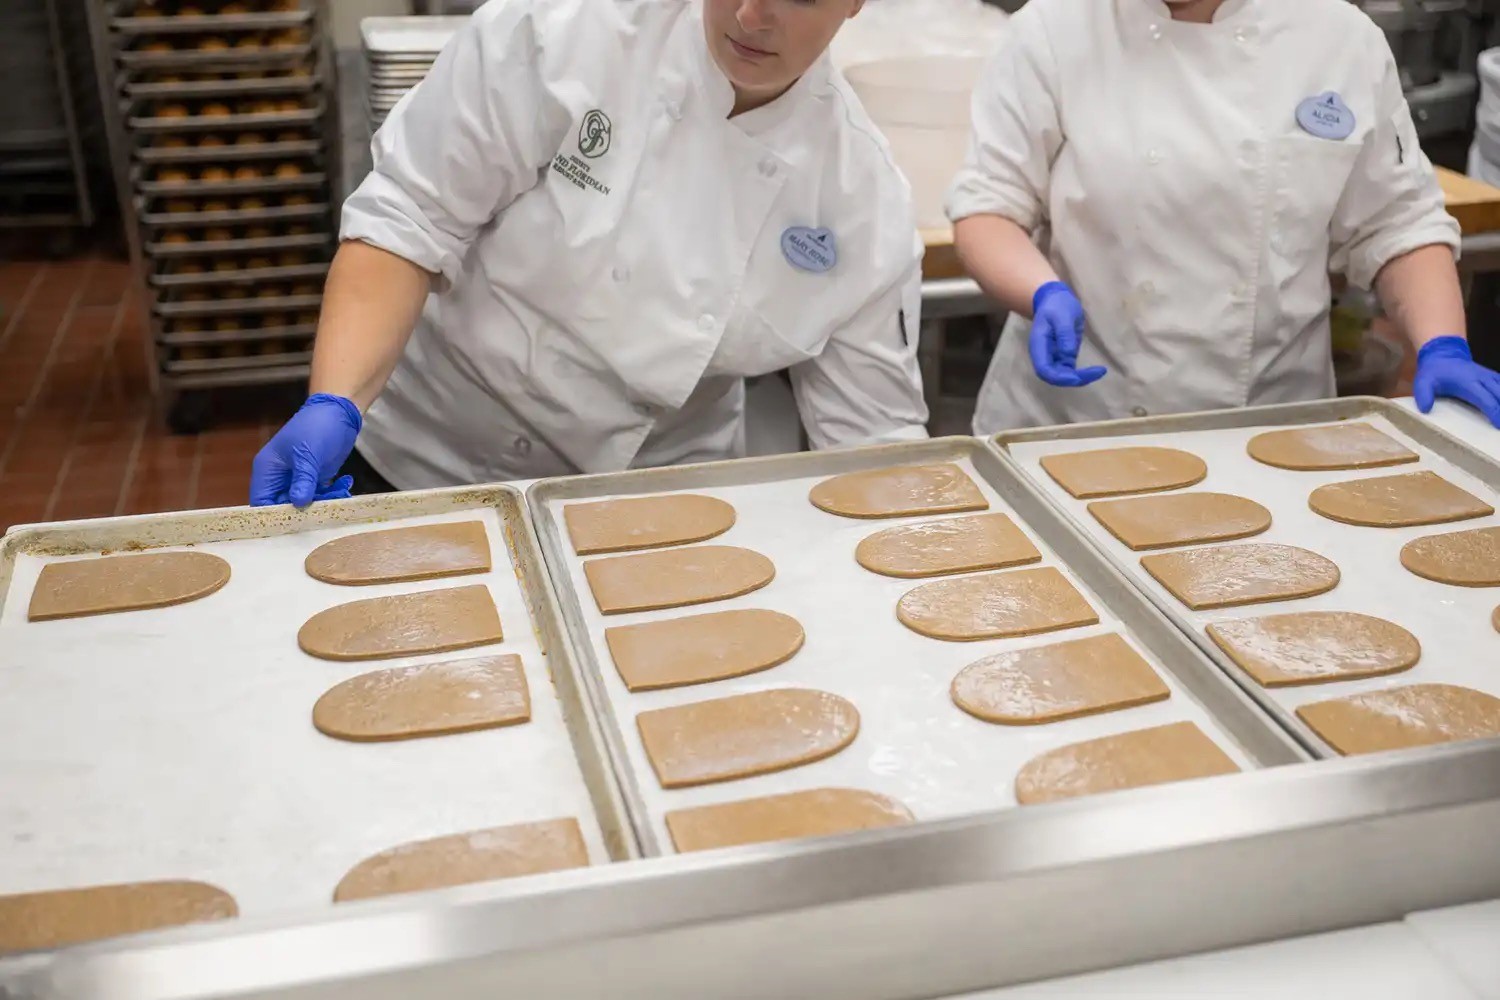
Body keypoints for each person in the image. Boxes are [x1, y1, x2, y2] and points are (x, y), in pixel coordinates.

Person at [250, 0, 928, 507]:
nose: (754, 15)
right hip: (427, 457)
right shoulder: (567, 32)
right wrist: (334, 400)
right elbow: (410, 217)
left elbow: (873, 447)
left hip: (645, 507)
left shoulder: (860, 201)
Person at [946, 0, 1500, 433]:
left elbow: (1397, 224)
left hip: (1268, 430)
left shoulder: (1339, 41)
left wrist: (1441, 343)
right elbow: (989, 207)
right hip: (1078, 421)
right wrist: (1041, 292)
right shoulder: (1052, 29)